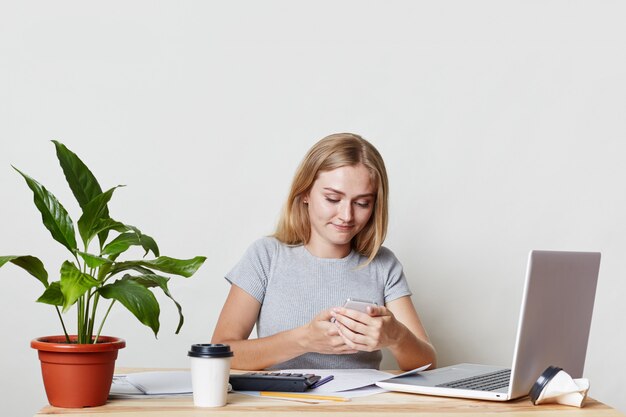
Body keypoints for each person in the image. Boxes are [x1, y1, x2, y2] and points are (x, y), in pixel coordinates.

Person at [211, 133, 436, 371]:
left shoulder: (382, 264)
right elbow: (221, 352)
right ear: (305, 193)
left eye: (362, 203)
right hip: (281, 406)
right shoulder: (266, 256)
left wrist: (397, 336)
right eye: (332, 198)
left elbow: (427, 364)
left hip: (359, 407)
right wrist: (303, 340)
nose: (346, 215)